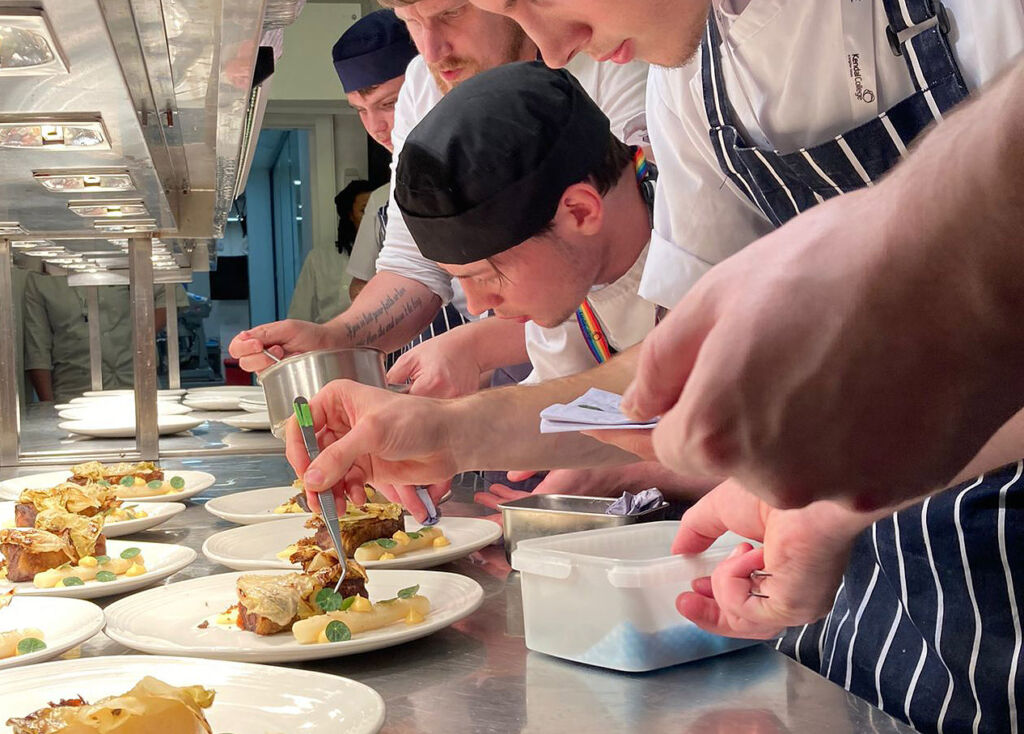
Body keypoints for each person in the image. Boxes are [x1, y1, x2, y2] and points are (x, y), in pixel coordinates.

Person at [281, 2, 1024, 729]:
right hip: (864, 585)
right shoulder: (690, 82)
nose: (552, 45)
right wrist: (451, 431)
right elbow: (672, 388)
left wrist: (839, 494)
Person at [228, 0, 649, 379]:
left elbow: (630, 238)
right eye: (409, 21)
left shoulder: (611, 53)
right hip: (545, 347)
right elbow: (412, 263)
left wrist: (476, 348)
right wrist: (336, 339)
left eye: (451, 13)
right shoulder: (425, 82)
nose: (430, 50)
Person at [392, 61, 714, 502]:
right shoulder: (573, 276)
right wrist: (428, 446)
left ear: (580, 211)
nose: (480, 304)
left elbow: (776, 439)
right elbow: (565, 416)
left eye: (487, 275)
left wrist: (621, 475)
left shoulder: (713, 233)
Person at [331, 9, 419, 302]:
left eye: (390, 103)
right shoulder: (388, 198)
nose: (375, 127)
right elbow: (366, 285)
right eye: (360, 110)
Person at [23, 275, 187, 403]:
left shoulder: (123, 254)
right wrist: (47, 405)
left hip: (136, 385)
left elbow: (170, 292)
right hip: (75, 393)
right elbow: (37, 350)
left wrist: (142, 336)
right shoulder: (41, 278)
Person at [287, 179, 375, 324]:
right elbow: (298, 316)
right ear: (350, 215)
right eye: (363, 210)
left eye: (376, 211)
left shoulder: (387, 257)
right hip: (328, 341)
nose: (372, 218)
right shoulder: (319, 259)